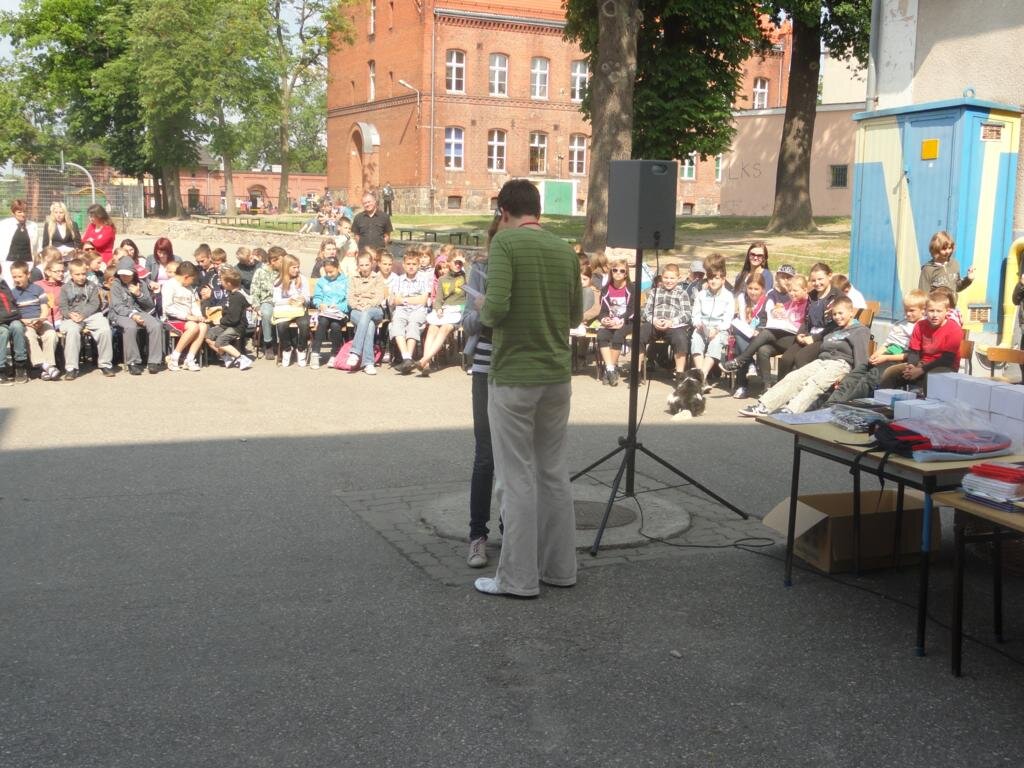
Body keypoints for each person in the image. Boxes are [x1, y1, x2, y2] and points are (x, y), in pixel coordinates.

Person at [474, 179, 581, 599]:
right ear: (538, 210)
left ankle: (518, 579)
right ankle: (560, 569)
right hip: (556, 374)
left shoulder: (505, 243)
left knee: (516, 477)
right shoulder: (564, 249)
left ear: (503, 211)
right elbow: (575, 315)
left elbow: (496, 308)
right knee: (553, 473)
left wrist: (482, 305)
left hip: (514, 375)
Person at [740, 297, 869, 416]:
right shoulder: (835, 329)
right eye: (834, 314)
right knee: (794, 376)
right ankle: (764, 406)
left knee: (815, 383)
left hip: (840, 364)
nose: (837, 317)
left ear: (851, 312)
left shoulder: (859, 331)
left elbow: (861, 359)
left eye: (841, 313)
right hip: (822, 361)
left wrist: (850, 378)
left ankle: (792, 410)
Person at [827, 289, 927, 404]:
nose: (908, 314)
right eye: (906, 310)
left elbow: (913, 354)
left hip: (899, 359)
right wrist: (875, 355)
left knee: (870, 378)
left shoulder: (922, 326)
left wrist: (886, 358)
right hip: (887, 354)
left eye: (912, 310)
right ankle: (831, 403)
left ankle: (848, 403)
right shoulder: (901, 324)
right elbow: (888, 343)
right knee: (857, 373)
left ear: (923, 310)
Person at [720, 271, 808, 393]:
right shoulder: (791, 302)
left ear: (805, 290)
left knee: (766, 333)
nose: (792, 294)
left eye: (795, 291)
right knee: (763, 350)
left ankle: (741, 360)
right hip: (782, 337)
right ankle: (767, 387)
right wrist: (776, 312)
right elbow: (780, 311)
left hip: (795, 340)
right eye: (790, 291)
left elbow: (803, 324)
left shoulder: (807, 304)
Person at [879, 290, 961, 393]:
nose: (934, 315)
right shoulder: (920, 325)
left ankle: (922, 400)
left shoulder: (954, 329)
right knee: (891, 372)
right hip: (921, 364)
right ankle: (882, 399)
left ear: (947, 311)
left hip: (944, 367)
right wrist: (911, 365)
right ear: (925, 311)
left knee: (930, 377)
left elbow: (947, 360)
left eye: (939, 311)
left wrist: (921, 370)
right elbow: (914, 351)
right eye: (931, 311)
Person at [778, 262, 841, 379]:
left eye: (820, 279)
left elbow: (836, 325)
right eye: (813, 280)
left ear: (829, 276)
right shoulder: (812, 295)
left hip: (826, 337)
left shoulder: (837, 297)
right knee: (786, 359)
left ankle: (804, 387)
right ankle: (780, 387)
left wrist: (814, 338)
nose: (817, 283)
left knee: (801, 358)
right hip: (809, 335)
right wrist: (800, 334)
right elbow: (806, 320)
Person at [59, 258, 115, 380]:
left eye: (83, 274)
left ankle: (105, 364)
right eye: (77, 274)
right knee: (72, 331)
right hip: (72, 317)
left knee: (104, 329)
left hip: (90, 315)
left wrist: (83, 314)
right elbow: (63, 307)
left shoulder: (92, 286)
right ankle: (71, 368)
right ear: (71, 274)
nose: (81, 277)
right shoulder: (65, 288)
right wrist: (69, 314)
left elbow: (95, 304)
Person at [109, 255, 164, 375]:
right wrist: (132, 315)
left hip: (139, 311)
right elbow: (117, 306)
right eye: (122, 274)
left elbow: (149, 306)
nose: (124, 277)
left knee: (155, 325)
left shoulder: (141, 283)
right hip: (121, 314)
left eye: (127, 274)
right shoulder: (116, 285)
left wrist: (139, 294)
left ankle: (154, 361)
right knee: (130, 327)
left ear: (133, 273)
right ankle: (133, 362)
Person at [637, 263, 691, 381]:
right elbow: (645, 311)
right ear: (661, 277)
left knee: (680, 338)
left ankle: (680, 374)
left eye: (672, 278)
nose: (669, 281)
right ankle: (637, 370)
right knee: (640, 335)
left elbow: (687, 314)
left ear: (678, 278)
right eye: (666, 278)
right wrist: (654, 320)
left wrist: (671, 322)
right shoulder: (654, 292)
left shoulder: (682, 293)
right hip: (654, 322)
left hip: (673, 324)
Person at [416, 254, 466, 375]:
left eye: (460, 263)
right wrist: (438, 308)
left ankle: (424, 360)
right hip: (445, 310)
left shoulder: (464, 277)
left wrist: (464, 263)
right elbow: (438, 299)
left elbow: (468, 298)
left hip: (458, 311)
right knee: (432, 328)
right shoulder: (442, 280)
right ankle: (426, 365)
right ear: (448, 263)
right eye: (455, 262)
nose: (458, 265)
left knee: (445, 328)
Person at [9, 261, 59, 380]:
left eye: (20, 276)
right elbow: (14, 313)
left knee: (51, 334)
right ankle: (46, 366)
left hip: (39, 319)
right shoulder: (12, 293)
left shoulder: (38, 289)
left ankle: (46, 368)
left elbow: (44, 308)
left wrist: (41, 319)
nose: (17, 279)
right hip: (25, 321)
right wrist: (23, 321)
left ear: (28, 275)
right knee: (29, 336)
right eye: (14, 277)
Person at [690, 258, 735, 387]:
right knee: (696, 339)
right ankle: (703, 379)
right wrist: (698, 324)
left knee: (716, 342)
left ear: (723, 279)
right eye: (710, 278)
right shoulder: (702, 294)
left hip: (719, 329)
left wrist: (717, 329)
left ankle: (701, 377)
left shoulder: (728, 296)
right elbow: (695, 314)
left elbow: (727, 319)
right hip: (703, 327)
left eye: (716, 278)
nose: (713, 281)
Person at [388, 248, 431, 374]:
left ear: (418, 265)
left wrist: (405, 299)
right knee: (397, 323)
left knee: (413, 323)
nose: (411, 267)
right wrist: (413, 299)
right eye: (408, 264)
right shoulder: (398, 280)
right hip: (401, 310)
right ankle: (407, 358)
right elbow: (396, 300)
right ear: (404, 265)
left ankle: (408, 358)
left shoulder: (423, 279)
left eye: (414, 264)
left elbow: (423, 300)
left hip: (418, 310)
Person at [345, 252, 388, 374]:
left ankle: (355, 352)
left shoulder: (377, 278)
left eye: (367, 265)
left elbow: (379, 297)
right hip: (357, 310)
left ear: (372, 264)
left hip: (374, 309)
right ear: (358, 265)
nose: (364, 268)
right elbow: (350, 298)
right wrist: (358, 306)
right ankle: (368, 363)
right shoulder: (353, 278)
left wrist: (368, 305)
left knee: (367, 314)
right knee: (369, 325)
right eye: (361, 265)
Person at [161, 261, 208, 372]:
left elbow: (193, 304)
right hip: (173, 319)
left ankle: (189, 359)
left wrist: (199, 316)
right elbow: (168, 307)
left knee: (203, 326)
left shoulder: (189, 288)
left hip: (188, 319)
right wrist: (187, 317)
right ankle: (174, 357)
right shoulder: (169, 285)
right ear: (186, 277)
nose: (193, 282)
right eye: (192, 279)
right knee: (193, 327)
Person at [729, 272, 768, 398]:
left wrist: (758, 331)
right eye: (750, 288)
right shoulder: (742, 298)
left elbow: (767, 322)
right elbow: (742, 319)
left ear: (762, 289)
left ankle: (742, 385)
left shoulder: (767, 300)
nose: (753, 292)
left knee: (741, 348)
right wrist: (749, 329)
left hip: (761, 334)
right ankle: (750, 363)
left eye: (756, 289)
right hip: (746, 332)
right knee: (737, 331)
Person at [595, 257, 633, 386]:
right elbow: (602, 311)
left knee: (618, 335)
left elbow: (632, 310)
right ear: (611, 272)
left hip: (627, 321)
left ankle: (609, 370)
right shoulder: (606, 289)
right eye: (615, 270)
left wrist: (621, 319)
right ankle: (610, 369)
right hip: (611, 321)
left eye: (622, 271)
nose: (618, 273)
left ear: (626, 274)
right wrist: (604, 319)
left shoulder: (631, 288)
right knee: (601, 335)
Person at [206, 267, 254, 370]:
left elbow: (234, 318)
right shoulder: (231, 294)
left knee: (220, 341)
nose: (220, 283)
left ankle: (241, 358)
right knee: (209, 336)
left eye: (222, 281)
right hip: (227, 324)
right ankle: (226, 357)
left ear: (228, 283)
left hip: (236, 327)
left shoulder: (237, 297)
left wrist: (220, 321)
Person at [309, 255, 349, 369]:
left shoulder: (346, 281)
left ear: (338, 268)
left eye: (331, 272)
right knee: (322, 322)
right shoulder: (322, 281)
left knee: (336, 326)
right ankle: (315, 353)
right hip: (326, 312)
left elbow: (349, 300)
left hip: (340, 313)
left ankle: (334, 354)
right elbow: (317, 297)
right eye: (327, 272)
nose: (329, 275)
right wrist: (320, 304)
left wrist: (340, 307)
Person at [272, 254, 311, 367]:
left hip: (299, 309)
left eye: (298, 267)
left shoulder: (302, 279)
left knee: (304, 324)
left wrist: (303, 299)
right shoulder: (279, 281)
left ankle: (301, 349)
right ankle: (287, 349)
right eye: (294, 267)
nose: (297, 270)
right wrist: (288, 300)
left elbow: (307, 297)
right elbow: (276, 300)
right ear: (286, 267)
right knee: (281, 326)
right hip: (285, 310)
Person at [919, 230, 973, 305]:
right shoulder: (928, 269)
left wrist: (968, 279)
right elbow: (923, 295)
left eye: (950, 248)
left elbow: (956, 287)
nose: (948, 251)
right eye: (944, 249)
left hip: (951, 307)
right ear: (936, 249)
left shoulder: (954, 264)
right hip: (936, 308)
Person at [250, 246, 284, 359]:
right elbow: (254, 291)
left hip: (282, 302)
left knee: (283, 315)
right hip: (267, 301)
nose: (284, 264)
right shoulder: (260, 272)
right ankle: (268, 343)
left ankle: (282, 345)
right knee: (266, 313)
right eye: (281, 261)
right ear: (273, 261)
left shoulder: (284, 272)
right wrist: (256, 306)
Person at [1, 199, 38, 288]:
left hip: (27, 262)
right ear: (13, 213)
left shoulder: (33, 226)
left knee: (26, 287)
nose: (23, 214)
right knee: (10, 286)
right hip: (9, 262)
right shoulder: (4, 225)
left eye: (25, 211)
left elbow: (35, 247)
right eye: (19, 212)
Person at [0, 278, 28, 384]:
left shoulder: (3, 284)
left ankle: (20, 366)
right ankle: (1, 369)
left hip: (10, 318)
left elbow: (11, 303)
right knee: (3, 332)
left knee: (17, 327)